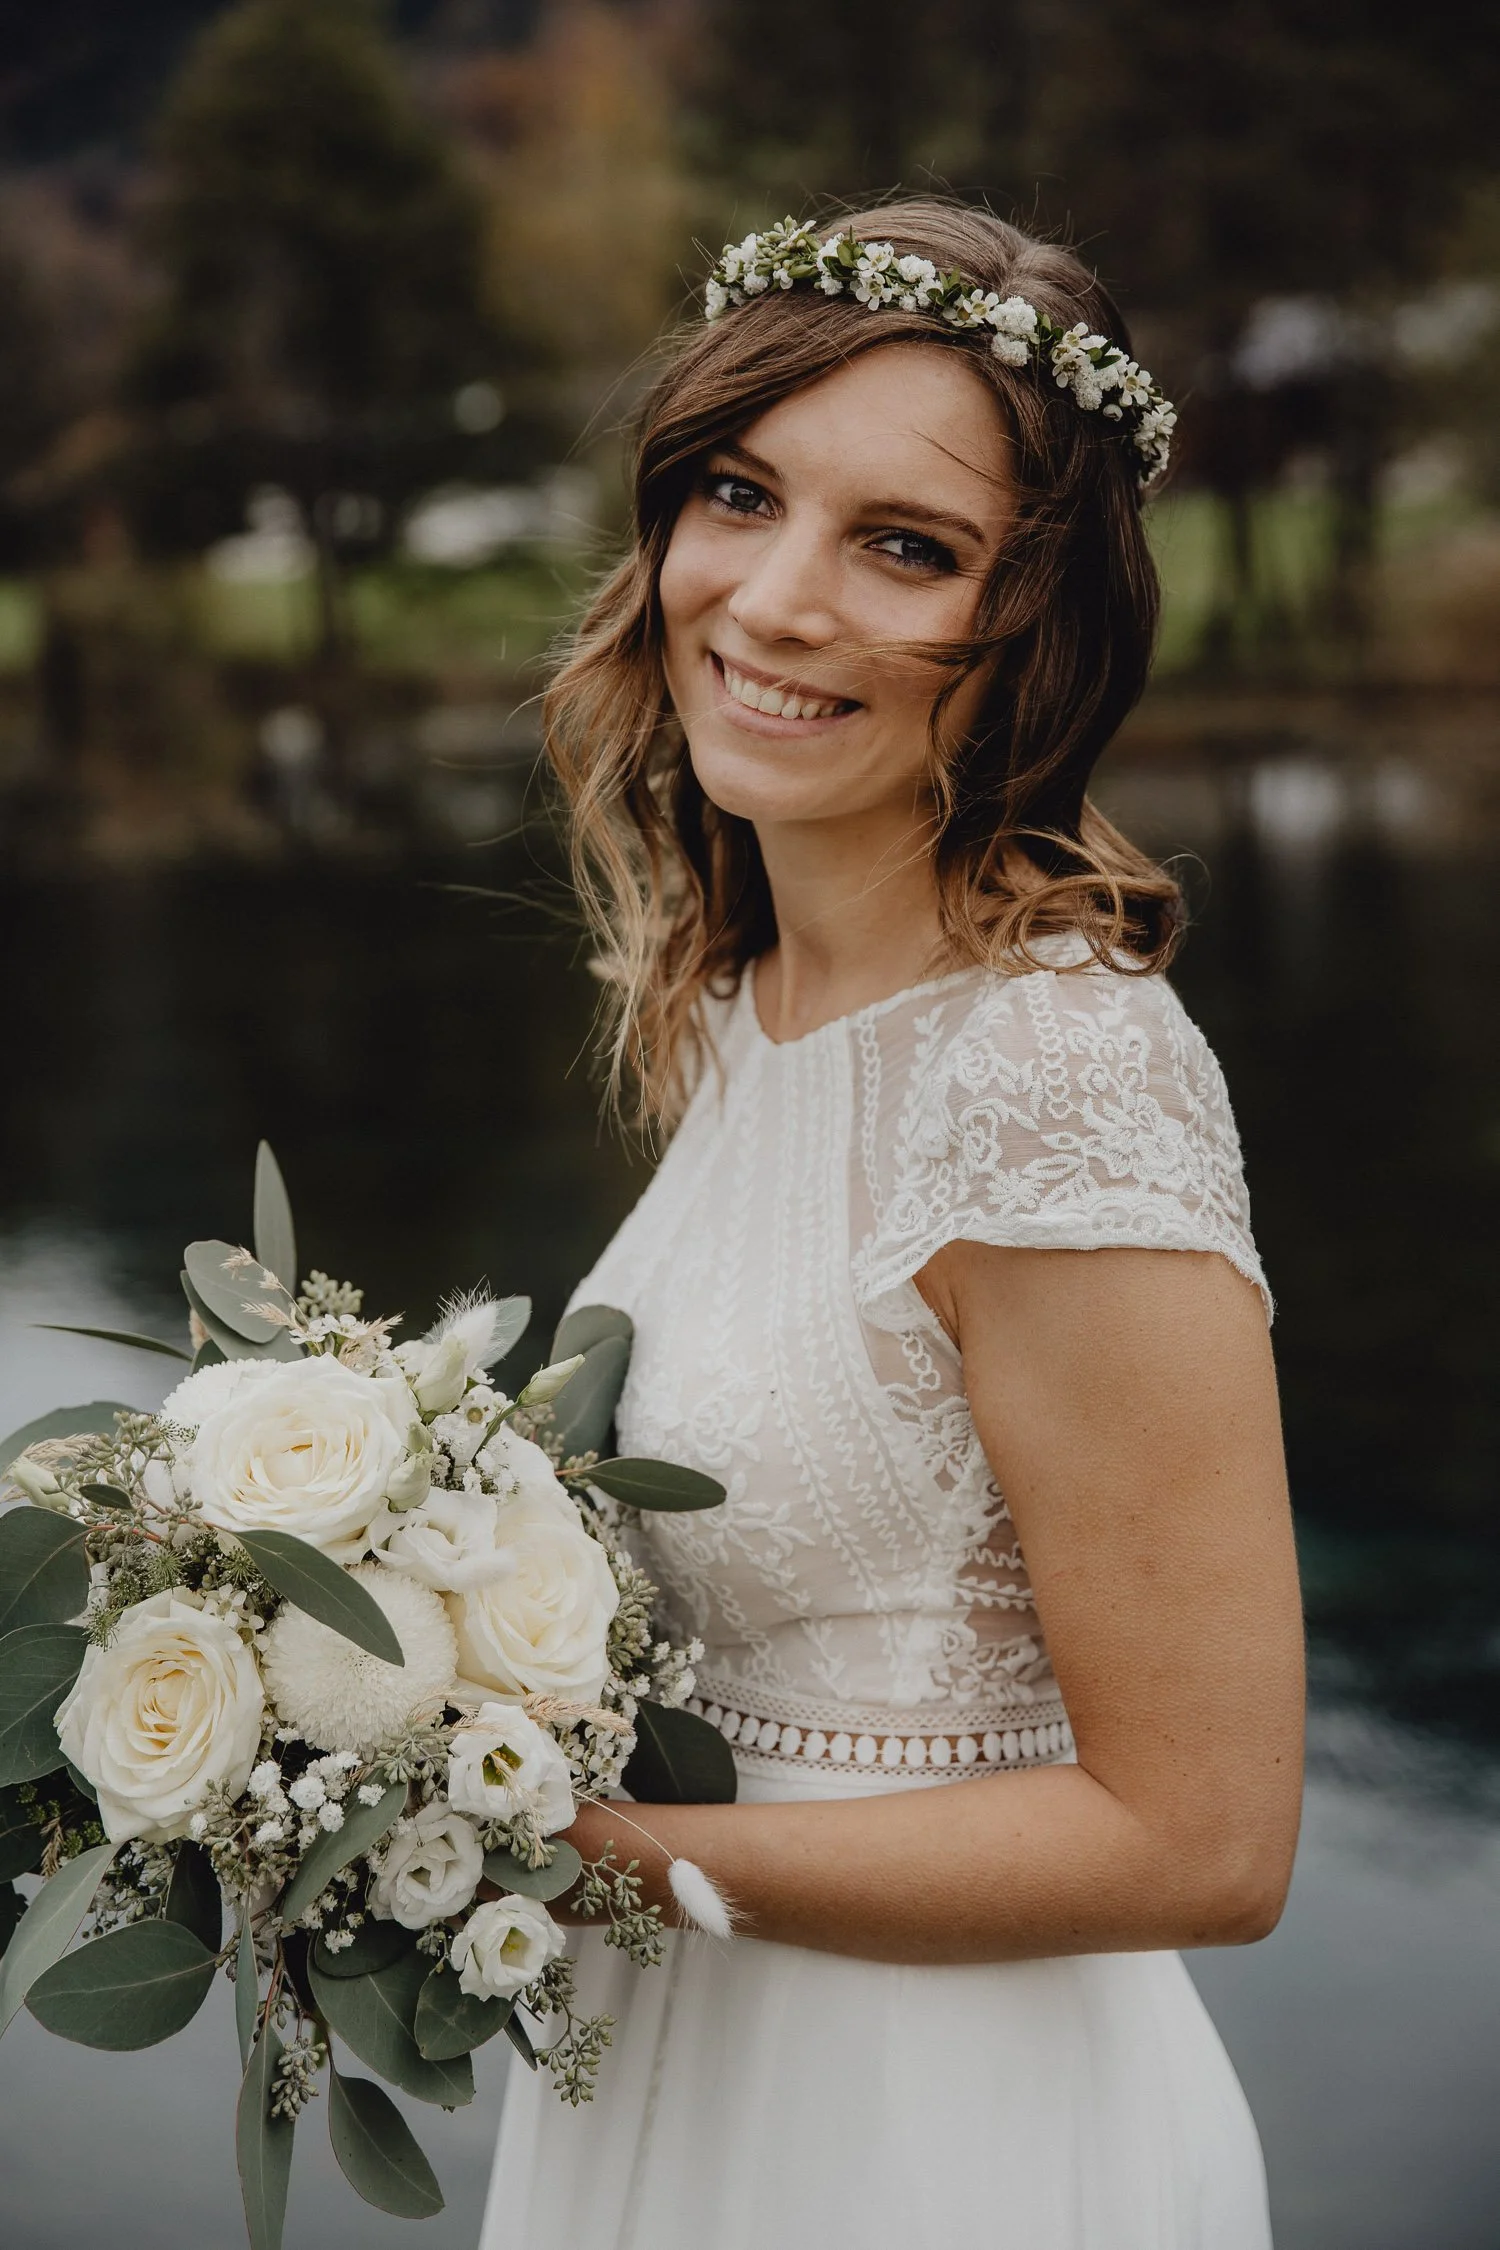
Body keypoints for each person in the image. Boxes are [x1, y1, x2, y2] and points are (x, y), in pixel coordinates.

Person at [480, 196, 1304, 2250]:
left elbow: (1205, 1838)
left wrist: (581, 1854)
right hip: (679, 2057)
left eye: (906, 546)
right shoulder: (744, 997)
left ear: (1040, 631)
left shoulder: (1055, 1073)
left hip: (941, 2136)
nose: (770, 599)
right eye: (740, 495)